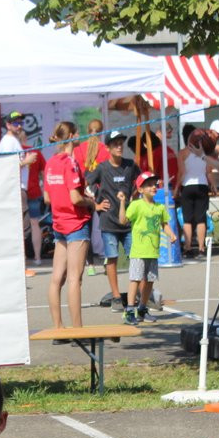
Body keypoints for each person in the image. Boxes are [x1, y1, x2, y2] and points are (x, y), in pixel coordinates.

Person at [43, 121, 94, 330]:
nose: (80, 135)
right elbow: (75, 198)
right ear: (71, 136)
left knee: (57, 278)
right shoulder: (70, 162)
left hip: (59, 223)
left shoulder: (51, 162)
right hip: (75, 223)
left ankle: (58, 327)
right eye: (78, 132)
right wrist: (91, 202)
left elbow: (47, 197)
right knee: (74, 279)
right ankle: (77, 329)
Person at [86, 130, 136, 311]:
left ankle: (133, 294)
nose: (119, 146)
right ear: (107, 148)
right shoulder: (102, 167)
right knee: (112, 259)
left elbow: (139, 183)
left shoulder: (130, 165)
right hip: (108, 222)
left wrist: (136, 200)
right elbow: (86, 186)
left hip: (129, 221)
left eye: (121, 143)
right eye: (115, 144)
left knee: (136, 259)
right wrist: (96, 205)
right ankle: (116, 297)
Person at [119, 172, 176, 324]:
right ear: (140, 189)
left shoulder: (160, 207)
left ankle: (142, 309)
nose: (153, 187)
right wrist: (122, 203)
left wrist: (171, 234)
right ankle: (129, 311)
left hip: (153, 251)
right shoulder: (136, 205)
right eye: (149, 185)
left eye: (154, 184)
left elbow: (164, 224)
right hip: (138, 251)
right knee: (135, 280)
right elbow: (123, 220)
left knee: (149, 281)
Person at [0, 111, 38, 276]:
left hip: (19, 187)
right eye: (15, 123)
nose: (19, 125)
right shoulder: (8, 142)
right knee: (22, 228)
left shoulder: (13, 141)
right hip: (15, 188)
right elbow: (6, 167)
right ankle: (19, 267)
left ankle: (21, 266)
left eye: (20, 122)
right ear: (8, 125)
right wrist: (26, 161)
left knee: (23, 228)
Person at [175, 127, 218, 259]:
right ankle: (201, 249)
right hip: (202, 185)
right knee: (201, 219)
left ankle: (187, 248)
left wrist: (176, 188)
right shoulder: (204, 152)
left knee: (187, 220)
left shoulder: (182, 153)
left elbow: (181, 173)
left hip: (187, 186)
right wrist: (214, 185)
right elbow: (209, 171)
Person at [25, 136, 47, 267]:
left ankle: (25, 259)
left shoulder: (14, 151)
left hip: (19, 191)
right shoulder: (36, 152)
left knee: (20, 226)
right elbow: (44, 173)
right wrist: (46, 189)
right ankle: (37, 257)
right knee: (34, 224)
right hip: (34, 191)